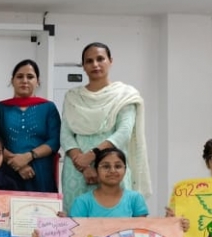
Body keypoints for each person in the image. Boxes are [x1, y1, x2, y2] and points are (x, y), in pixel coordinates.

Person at [60, 42, 150, 212]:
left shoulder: (124, 95)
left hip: (112, 166)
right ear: (83, 66)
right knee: (76, 221)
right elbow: (65, 134)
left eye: (100, 59)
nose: (95, 64)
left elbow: (123, 132)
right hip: (77, 170)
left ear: (110, 61)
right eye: (89, 61)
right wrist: (85, 166)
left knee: (117, 219)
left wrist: (91, 156)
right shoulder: (73, 97)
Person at [0, 59, 61, 193]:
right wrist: (17, 163)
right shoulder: (0, 108)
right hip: (8, 170)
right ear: (12, 81)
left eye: (30, 77)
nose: (24, 80)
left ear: (38, 81)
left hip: (40, 171)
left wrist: (28, 156)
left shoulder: (48, 107)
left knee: (40, 206)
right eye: (19, 76)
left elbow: (55, 141)